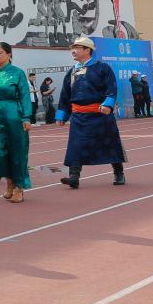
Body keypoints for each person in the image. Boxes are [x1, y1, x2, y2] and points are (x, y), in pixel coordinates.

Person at [56, 36, 127, 189]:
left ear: (87, 50)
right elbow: (65, 95)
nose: (73, 51)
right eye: (72, 48)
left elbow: (112, 88)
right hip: (78, 117)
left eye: (77, 48)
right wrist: (62, 114)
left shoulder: (103, 68)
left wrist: (108, 104)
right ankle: (74, 177)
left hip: (101, 115)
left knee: (110, 144)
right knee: (76, 146)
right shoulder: (72, 72)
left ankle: (118, 172)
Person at [0, 42, 32, 203]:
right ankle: (9, 179)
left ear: (9, 54)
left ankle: (18, 187)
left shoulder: (17, 73)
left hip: (14, 116)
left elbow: (25, 95)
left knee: (17, 152)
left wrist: (26, 117)